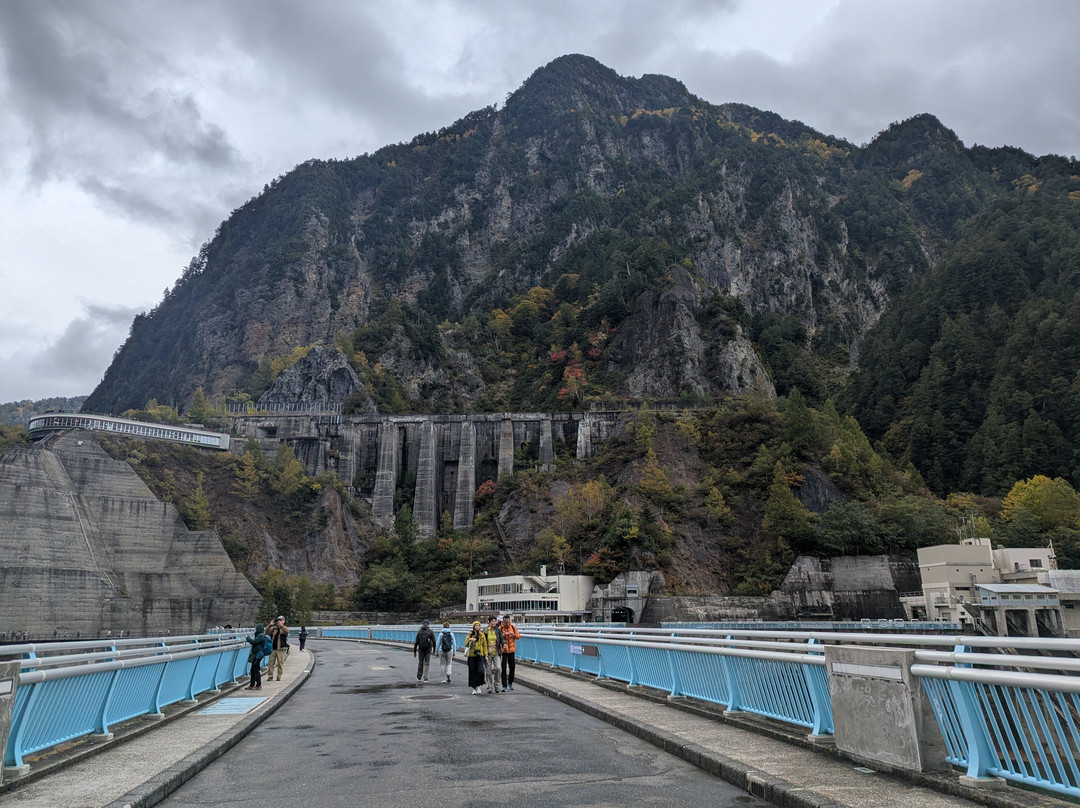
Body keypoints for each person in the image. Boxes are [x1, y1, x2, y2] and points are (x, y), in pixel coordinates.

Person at [464, 620, 488, 695]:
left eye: (478, 625)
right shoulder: (470, 634)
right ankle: (474, 687)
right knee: (472, 671)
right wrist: (470, 640)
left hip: (480, 655)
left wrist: (486, 655)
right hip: (472, 655)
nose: (477, 627)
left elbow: (485, 645)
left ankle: (478, 685)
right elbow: (466, 644)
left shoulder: (482, 635)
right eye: (476, 625)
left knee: (480, 670)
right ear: (473, 626)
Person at [500, 615, 521, 691]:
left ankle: (510, 682)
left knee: (512, 667)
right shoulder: (500, 628)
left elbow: (518, 636)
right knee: (503, 668)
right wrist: (504, 635)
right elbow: (497, 637)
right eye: (505, 622)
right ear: (503, 621)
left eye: (508, 622)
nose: (506, 623)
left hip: (511, 650)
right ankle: (504, 685)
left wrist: (513, 634)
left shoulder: (513, 627)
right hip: (503, 651)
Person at [266, 616, 289, 681]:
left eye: (280, 620)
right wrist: (270, 625)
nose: (279, 621)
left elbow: (286, 631)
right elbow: (266, 632)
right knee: (271, 663)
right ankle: (270, 676)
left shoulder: (285, 629)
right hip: (273, 648)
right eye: (278, 620)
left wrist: (281, 625)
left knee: (280, 663)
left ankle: (279, 676)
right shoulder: (273, 629)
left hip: (281, 649)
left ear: (283, 621)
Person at [483, 616, 502, 694]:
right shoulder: (485, 630)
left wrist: (503, 644)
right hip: (488, 653)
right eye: (492, 621)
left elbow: (501, 638)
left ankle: (496, 685)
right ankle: (489, 687)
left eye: (495, 621)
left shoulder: (498, 630)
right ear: (489, 622)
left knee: (498, 668)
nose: (494, 623)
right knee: (488, 671)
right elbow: (482, 639)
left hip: (496, 652)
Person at [413, 619, 436, 684]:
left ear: (423, 624)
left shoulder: (419, 631)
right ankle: (425, 678)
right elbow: (434, 641)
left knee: (420, 662)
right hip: (428, 650)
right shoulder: (430, 631)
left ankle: (419, 677)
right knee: (427, 663)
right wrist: (434, 650)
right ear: (428, 624)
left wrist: (414, 651)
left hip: (421, 649)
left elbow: (416, 642)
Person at [245, 623, 267, 690]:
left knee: (255, 669)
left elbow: (254, 642)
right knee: (253, 669)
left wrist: (248, 638)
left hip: (258, 655)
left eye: (256, 628)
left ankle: (258, 684)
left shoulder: (261, 636)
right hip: (257, 654)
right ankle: (252, 684)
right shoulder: (261, 635)